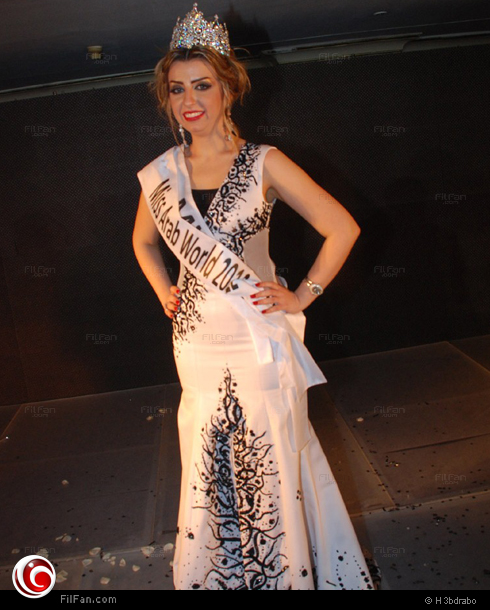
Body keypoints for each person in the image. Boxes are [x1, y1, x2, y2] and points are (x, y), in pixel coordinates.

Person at [133, 3, 376, 591]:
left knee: (269, 460)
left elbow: (342, 227)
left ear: (228, 89)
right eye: (176, 89)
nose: (189, 100)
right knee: (206, 463)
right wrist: (165, 290)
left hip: (255, 341)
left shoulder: (264, 162)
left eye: (202, 85)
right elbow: (143, 241)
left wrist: (303, 295)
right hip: (196, 345)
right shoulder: (161, 174)